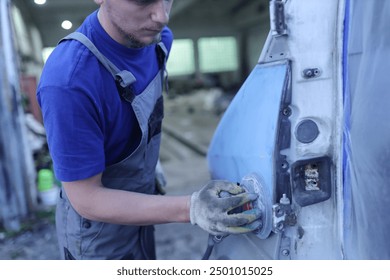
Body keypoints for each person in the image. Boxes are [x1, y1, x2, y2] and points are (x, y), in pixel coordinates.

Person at [37, 0, 261, 260]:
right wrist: (191, 208)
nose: (162, 16)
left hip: (141, 210)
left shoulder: (157, 40)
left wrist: (145, 164)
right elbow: (86, 198)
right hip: (98, 238)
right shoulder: (69, 82)